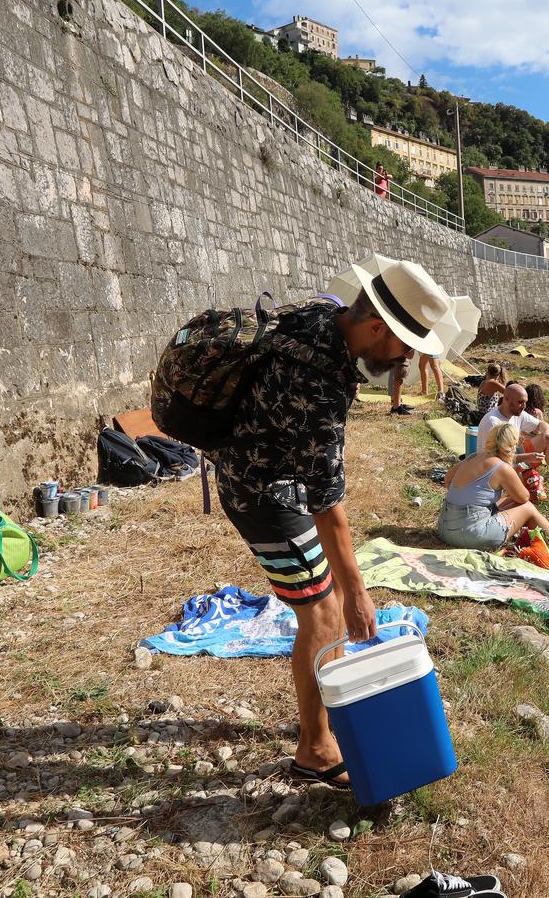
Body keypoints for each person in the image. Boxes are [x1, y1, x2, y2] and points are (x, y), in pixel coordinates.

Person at [211, 257, 453, 789]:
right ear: (376, 328)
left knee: (323, 610)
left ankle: (325, 721)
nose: (409, 355)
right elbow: (327, 507)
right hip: (262, 494)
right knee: (325, 614)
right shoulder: (318, 384)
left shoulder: (323, 315)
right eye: (405, 342)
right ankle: (316, 751)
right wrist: (357, 592)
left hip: (260, 472)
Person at [437, 422, 549, 559]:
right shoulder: (501, 468)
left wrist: (466, 498)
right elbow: (524, 498)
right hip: (470, 535)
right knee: (527, 508)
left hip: (445, 528)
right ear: (512, 444)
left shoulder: (473, 457)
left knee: (509, 500)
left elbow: (448, 478)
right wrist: (516, 472)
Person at [477, 383, 549, 492]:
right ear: (507, 399)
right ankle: (536, 478)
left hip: (511, 454)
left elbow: (541, 424)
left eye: (525, 402)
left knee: (548, 439)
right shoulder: (493, 421)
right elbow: (497, 459)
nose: (524, 406)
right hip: (494, 466)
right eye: (520, 402)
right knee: (525, 489)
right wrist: (527, 457)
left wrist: (547, 433)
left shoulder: (518, 413)